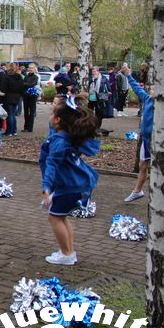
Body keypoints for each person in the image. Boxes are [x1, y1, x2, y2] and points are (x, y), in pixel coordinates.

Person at [39, 95, 99, 266]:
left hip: (70, 186)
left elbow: (51, 164)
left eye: (52, 113)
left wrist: (46, 186)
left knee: (54, 218)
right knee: (62, 217)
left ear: (58, 120)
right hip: (74, 185)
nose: (50, 116)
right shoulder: (66, 137)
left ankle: (66, 254)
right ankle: (69, 252)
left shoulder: (59, 141)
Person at [122, 65, 153, 202]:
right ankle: (138, 191)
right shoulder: (147, 99)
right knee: (143, 165)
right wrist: (129, 75)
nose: (151, 90)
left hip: (156, 141)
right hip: (146, 139)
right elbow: (137, 88)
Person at [0, 63, 23, 136]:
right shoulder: (19, 76)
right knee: (13, 114)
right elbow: (22, 87)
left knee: (9, 115)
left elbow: (3, 88)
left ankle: (9, 131)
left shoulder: (6, 77)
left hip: (8, 97)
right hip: (17, 97)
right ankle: (14, 131)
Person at [87, 66, 109, 132]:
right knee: (89, 112)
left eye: (94, 71)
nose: (93, 73)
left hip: (100, 98)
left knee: (99, 113)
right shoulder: (90, 78)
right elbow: (87, 87)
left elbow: (108, 87)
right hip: (91, 98)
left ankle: (97, 127)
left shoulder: (103, 78)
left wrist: (108, 91)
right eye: (92, 71)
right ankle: (89, 126)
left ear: (98, 72)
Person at [22, 63, 40, 133]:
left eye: (32, 68)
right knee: (26, 112)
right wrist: (26, 85)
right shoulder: (26, 76)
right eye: (29, 68)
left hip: (32, 96)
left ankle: (30, 128)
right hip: (26, 96)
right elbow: (23, 84)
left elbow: (33, 84)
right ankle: (25, 127)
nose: (30, 69)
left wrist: (26, 84)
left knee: (31, 112)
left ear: (35, 69)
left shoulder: (36, 77)